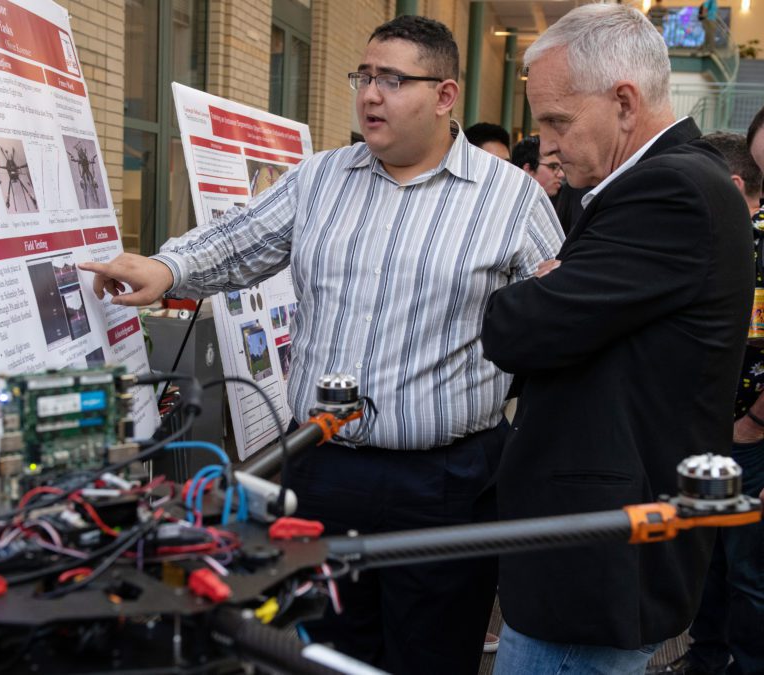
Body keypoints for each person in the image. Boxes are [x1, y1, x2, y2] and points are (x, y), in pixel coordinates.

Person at [81, 15, 563, 674]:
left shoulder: (511, 200)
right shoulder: (320, 179)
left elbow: (558, 324)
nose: (369, 94)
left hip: (448, 482)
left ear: (446, 94)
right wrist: (165, 269)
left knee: (432, 654)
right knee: (319, 652)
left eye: (392, 79)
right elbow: (234, 242)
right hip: (323, 469)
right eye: (363, 76)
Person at [480, 5, 753, 674]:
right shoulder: (641, 184)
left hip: (595, 563)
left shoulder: (672, 190)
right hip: (594, 554)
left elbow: (517, 328)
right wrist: (554, 284)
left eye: (557, 121)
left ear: (625, 103)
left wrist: (540, 292)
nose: (545, 143)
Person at [647, 131, 764, 675]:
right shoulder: (729, 236)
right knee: (711, 557)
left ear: (734, 185)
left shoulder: (756, 238)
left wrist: (753, 421)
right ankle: (709, 653)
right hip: (716, 425)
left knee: (746, 568)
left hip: (747, 430)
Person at [510, 135, 563, 201]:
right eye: (553, 167)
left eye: (561, 168)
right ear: (528, 169)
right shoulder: (506, 204)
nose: (561, 174)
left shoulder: (562, 200)